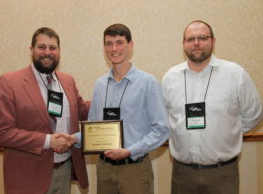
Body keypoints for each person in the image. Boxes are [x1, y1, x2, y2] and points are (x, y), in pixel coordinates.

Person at [162, 20, 263, 194]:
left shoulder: (235, 74)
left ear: (213, 41)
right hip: (182, 174)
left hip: (223, 174)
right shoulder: (170, 77)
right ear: (183, 44)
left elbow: (254, 112)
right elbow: (164, 117)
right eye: (190, 39)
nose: (196, 43)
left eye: (202, 37)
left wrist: (230, 131)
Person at [71, 23, 171, 194]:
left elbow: (162, 130)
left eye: (119, 42)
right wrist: (72, 138)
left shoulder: (148, 83)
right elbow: (93, 127)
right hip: (104, 168)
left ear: (130, 45)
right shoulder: (100, 84)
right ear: (104, 47)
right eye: (108, 43)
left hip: (134, 169)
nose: (114, 48)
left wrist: (130, 151)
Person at [0, 27, 90, 194]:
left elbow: (82, 110)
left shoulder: (67, 80)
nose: (47, 52)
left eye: (52, 48)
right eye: (41, 47)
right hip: (28, 176)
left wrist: (110, 98)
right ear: (31, 50)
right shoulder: (10, 82)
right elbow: (2, 133)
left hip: (64, 170)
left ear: (59, 51)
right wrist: (48, 141)